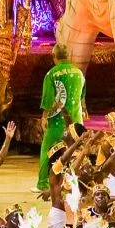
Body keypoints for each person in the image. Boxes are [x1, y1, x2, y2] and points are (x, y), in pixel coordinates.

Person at [38, 43, 86, 191]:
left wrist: (45, 117)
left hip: (57, 121)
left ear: (54, 57)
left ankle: (44, 183)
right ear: (68, 56)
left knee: (48, 149)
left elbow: (48, 98)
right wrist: (83, 109)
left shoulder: (51, 74)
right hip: (76, 120)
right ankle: (74, 182)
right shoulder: (79, 73)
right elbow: (82, 95)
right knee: (75, 150)